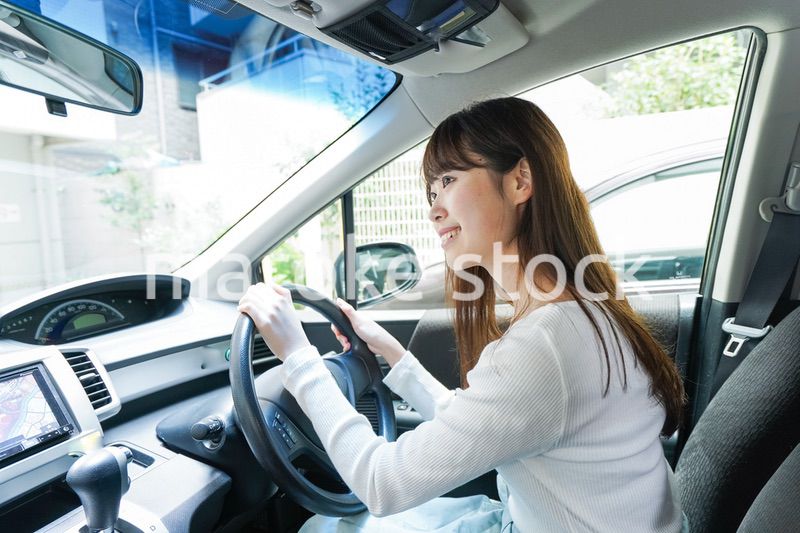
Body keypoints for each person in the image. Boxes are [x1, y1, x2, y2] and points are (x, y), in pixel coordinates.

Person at [238, 97, 688, 532]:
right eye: (431, 191)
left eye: (449, 180)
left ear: (519, 181)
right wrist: (399, 361)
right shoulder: (588, 312)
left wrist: (298, 358)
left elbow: (383, 483)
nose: (433, 209)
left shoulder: (545, 344)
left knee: (324, 527)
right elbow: (496, 423)